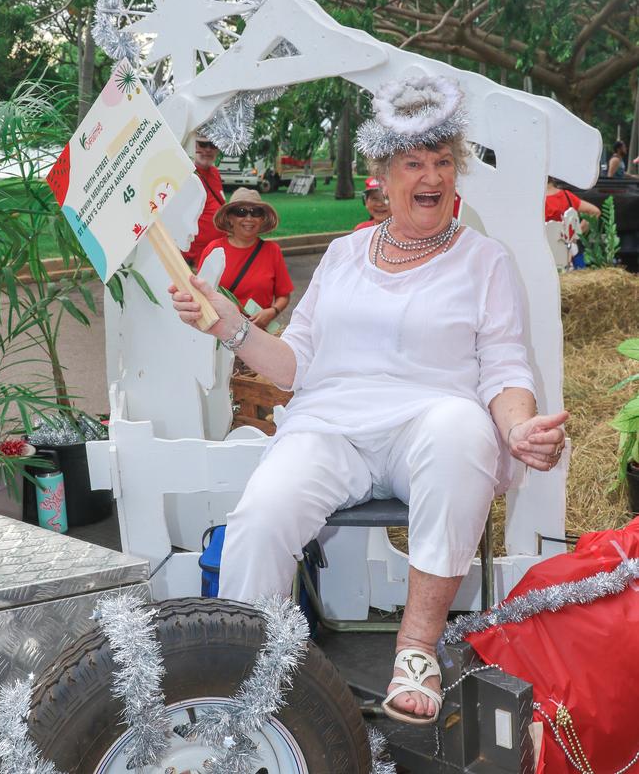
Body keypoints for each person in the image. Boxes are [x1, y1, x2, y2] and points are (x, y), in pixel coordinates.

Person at [170, 73, 567, 726]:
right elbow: (294, 367)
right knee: (261, 516)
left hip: (429, 428)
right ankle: (249, 675)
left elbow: (503, 366)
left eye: (442, 161)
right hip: (331, 428)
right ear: (383, 174)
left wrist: (520, 429)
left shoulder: (483, 260)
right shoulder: (346, 253)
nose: (431, 175)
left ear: (456, 174)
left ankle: (416, 650)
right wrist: (230, 324)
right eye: (414, 162)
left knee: (463, 428)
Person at [199, 188, 293, 331]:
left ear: (262, 219)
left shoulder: (272, 251)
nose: (249, 218)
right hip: (220, 334)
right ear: (230, 218)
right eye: (241, 212)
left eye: (256, 212)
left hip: (258, 334)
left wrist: (272, 311)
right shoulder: (214, 250)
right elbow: (199, 292)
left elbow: (284, 296)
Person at [182, 138, 225, 267]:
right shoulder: (186, 175)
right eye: (202, 144)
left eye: (212, 145)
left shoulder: (215, 173)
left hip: (214, 254)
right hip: (192, 258)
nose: (207, 150)